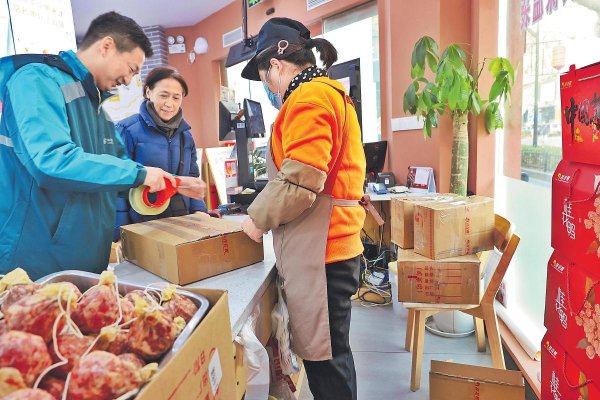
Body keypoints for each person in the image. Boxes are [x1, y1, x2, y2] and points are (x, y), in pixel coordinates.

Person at [0, 12, 204, 280]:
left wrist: (172, 182)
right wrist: (140, 174)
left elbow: (121, 169)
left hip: (86, 264)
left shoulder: (97, 109)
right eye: (131, 68)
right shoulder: (36, 80)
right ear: (107, 46)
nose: (129, 81)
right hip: (34, 266)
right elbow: (51, 161)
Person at [240, 17, 366, 400]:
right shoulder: (324, 93)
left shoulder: (309, 99)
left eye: (264, 77)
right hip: (328, 247)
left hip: (323, 253)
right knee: (331, 354)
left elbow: (301, 180)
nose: (267, 87)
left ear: (275, 65)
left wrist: (257, 219)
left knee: (326, 362)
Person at [113, 67, 207, 240]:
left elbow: (192, 178)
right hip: (142, 227)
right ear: (148, 92)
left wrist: (199, 211)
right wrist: (120, 233)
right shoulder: (126, 130)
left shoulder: (186, 136)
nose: (169, 104)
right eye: (164, 95)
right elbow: (117, 185)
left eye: (176, 97)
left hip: (182, 222)